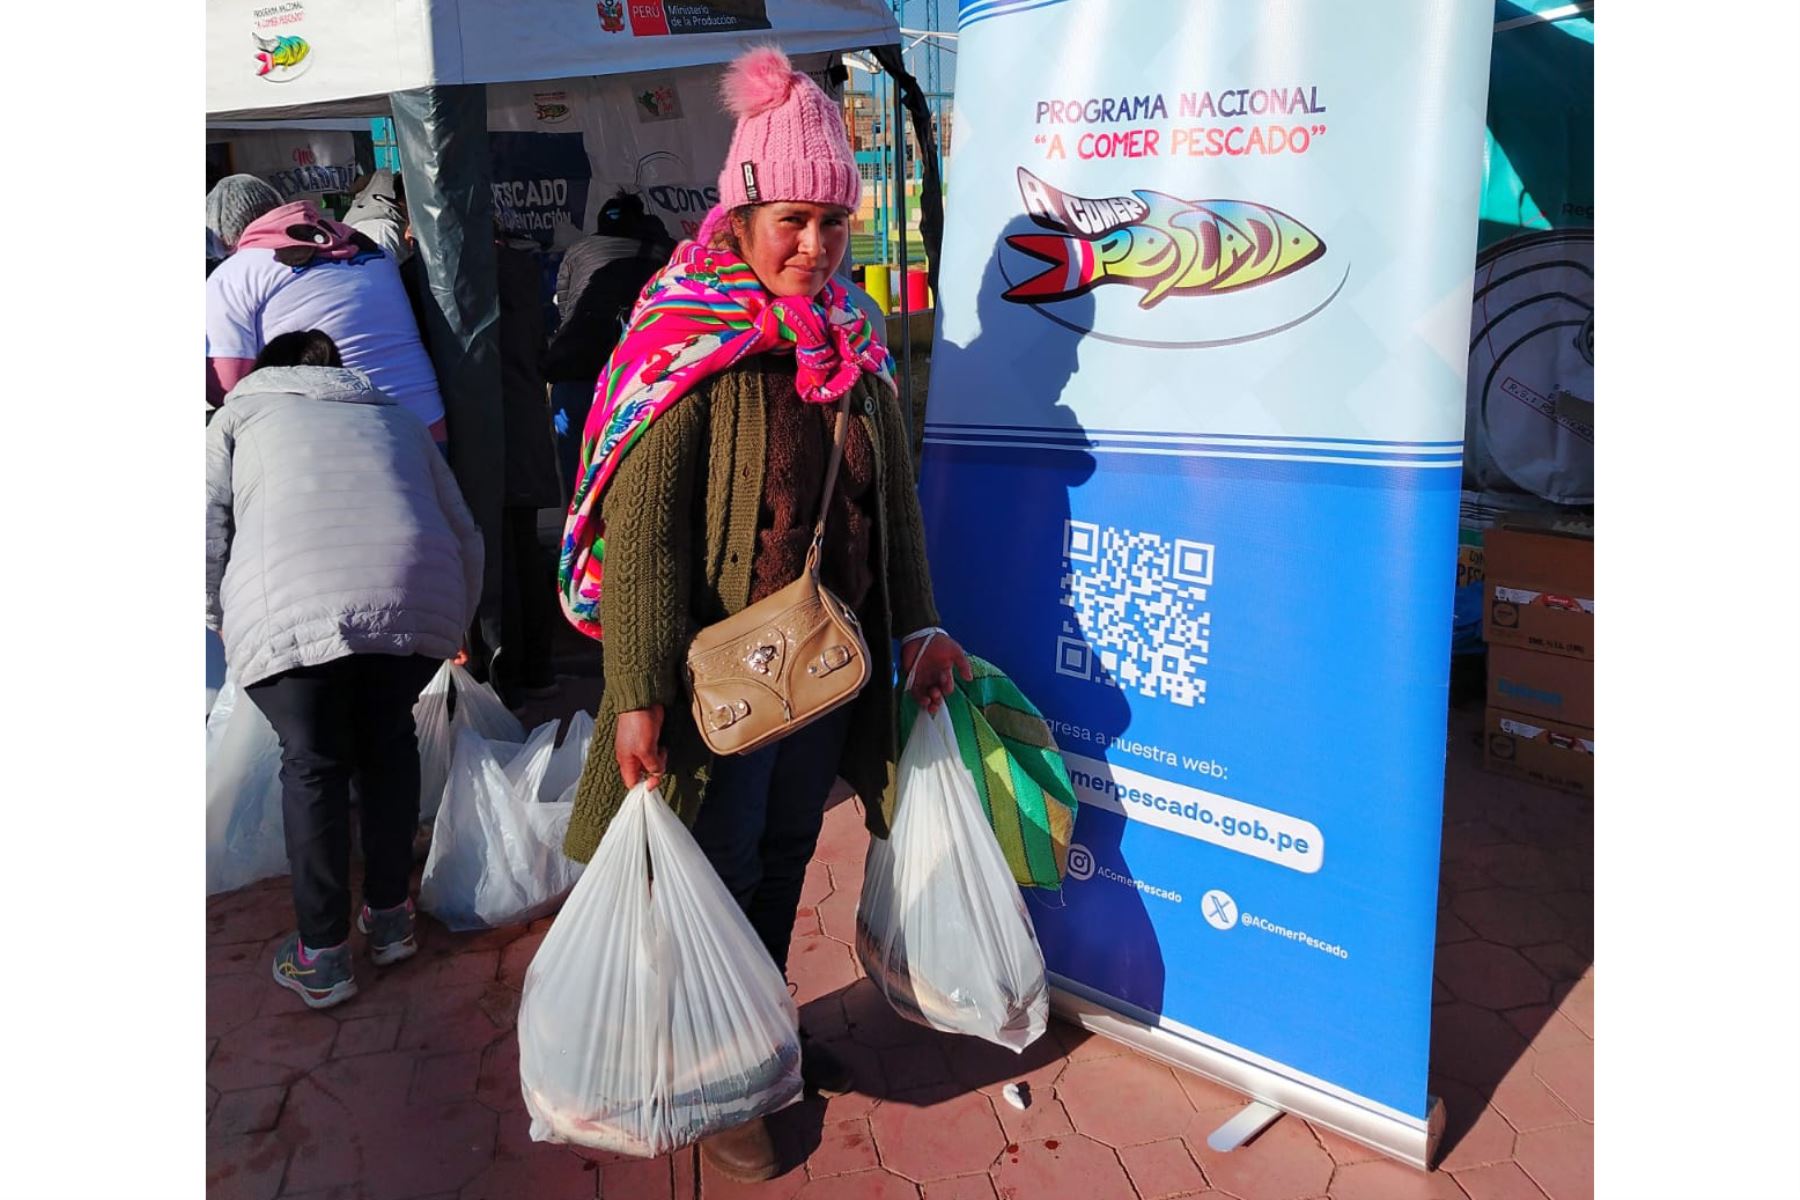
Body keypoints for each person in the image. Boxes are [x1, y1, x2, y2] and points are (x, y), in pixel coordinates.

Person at [556, 47, 971, 1182]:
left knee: (791, 845)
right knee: (720, 857)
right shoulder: (684, 340)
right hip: (715, 682)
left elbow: (895, 512)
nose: (814, 246)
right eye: (794, 218)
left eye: (834, 224)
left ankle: (759, 1028)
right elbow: (640, 544)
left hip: (822, 670)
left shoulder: (859, 340)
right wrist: (635, 692)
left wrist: (922, 624)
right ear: (743, 212)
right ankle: (706, 1071)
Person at [206, 330, 483, 1010]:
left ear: (269, 372)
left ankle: (322, 955)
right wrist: (454, 622)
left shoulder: (238, 413)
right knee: (388, 738)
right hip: (418, 602)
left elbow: (202, 528)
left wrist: (223, 621)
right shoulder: (395, 414)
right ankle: (391, 922)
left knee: (314, 761)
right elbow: (464, 531)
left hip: (292, 607)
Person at [205, 196, 449, 443]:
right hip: (429, 429)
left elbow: (228, 388)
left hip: (344, 443)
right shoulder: (372, 250)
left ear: (224, 238)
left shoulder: (234, 275)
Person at [470, 227, 565, 709]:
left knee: (496, 555)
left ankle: (504, 678)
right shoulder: (523, 271)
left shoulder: (451, 277)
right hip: (525, 421)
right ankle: (539, 668)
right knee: (524, 549)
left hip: (483, 433)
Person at [544, 189, 675, 501]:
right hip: (635, 373)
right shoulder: (663, 251)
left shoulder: (578, 250)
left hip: (576, 367)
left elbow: (565, 307)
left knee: (575, 462)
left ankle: (576, 532)